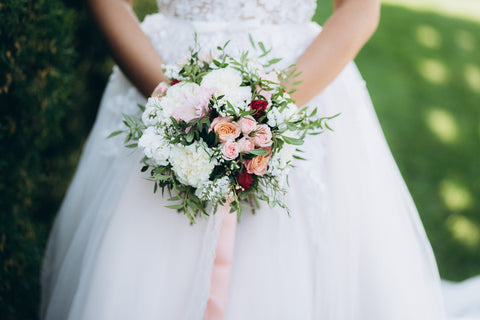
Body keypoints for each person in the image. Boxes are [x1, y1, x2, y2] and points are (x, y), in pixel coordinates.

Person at [40, 0, 480, 319]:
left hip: (297, 85)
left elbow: (360, 8)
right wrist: (176, 106)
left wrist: (265, 115)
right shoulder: (167, 97)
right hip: (160, 78)